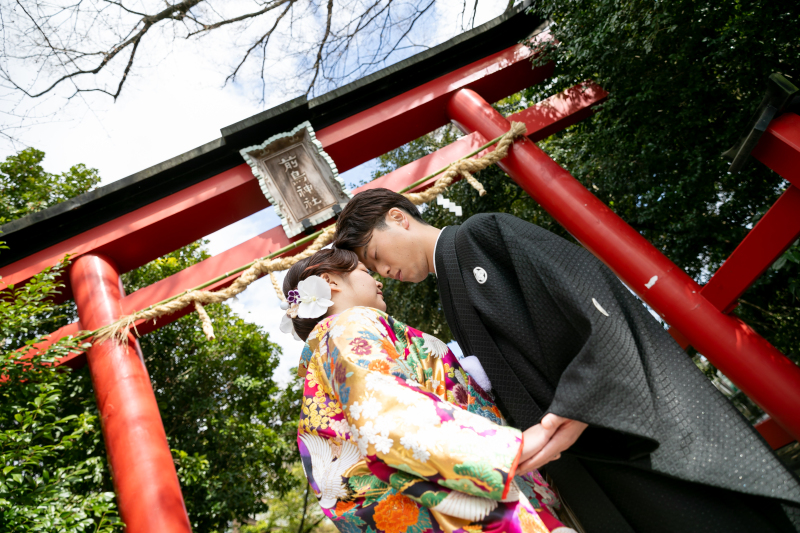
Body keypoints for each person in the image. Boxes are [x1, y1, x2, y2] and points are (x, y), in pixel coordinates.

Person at [332, 187, 800, 533]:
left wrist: (576, 404)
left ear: (399, 217)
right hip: (581, 451)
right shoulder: (453, 286)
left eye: (375, 255)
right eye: (373, 271)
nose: (383, 272)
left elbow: (589, 300)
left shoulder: (482, 234)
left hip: (619, 427)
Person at [282, 247, 578, 533]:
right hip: (471, 498)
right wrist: (509, 450)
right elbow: (387, 415)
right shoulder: (350, 324)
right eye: (363, 269)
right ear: (329, 281)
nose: (378, 279)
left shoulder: (322, 362)